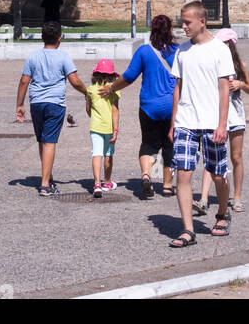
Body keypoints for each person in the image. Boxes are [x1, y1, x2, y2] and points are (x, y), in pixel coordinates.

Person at [167, 0, 235, 250]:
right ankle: (188, 229)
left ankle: (222, 212)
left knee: (218, 175)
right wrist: (174, 122)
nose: (183, 26)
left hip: (211, 122)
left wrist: (222, 124)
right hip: (186, 121)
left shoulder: (219, 49)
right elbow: (178, 87)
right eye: (181, 22)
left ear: (202, 21)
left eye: (187, 22)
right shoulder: (182, 51)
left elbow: (223, 89)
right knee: (183, 174)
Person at [100, 14, 178, 199]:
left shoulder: (144, 51)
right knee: (169, 144)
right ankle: (167, 186)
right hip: (172, 107)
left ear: (152, 29)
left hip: (148, 106)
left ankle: (146, 175)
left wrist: (111, 88)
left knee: (149, 143)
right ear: (170, 29)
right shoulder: (178, 51)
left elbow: (128, 76)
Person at [15, 20, 88, 195]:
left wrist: (19, 104)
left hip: (37, 103)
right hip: (55, 103)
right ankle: (46, 185)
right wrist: (87, 92)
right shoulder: (63, 57)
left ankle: (46, 174)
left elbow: (24, 80)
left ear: (42, 37)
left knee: (42, 140)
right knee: (49, 141)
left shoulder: (33, 56)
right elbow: (75, 80)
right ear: (59, 38)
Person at [197, 29, 249, 213]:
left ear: (231, 45)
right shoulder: (213, 63)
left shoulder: (240, 65)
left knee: (236, 157)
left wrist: (241, 84)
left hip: (235, 115)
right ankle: (204, 198)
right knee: (211, 155)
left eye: (225, 43)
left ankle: (237, 196)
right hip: (217, 114)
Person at [85, 59, 120, 196]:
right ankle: (107, 182)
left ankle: (97, 184)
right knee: (108, 155)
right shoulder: (113, 91)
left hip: (95, 126)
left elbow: (88, 108)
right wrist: (116, 130)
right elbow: (115, 111)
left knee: (96, 153)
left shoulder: (90, 90)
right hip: (110, 127)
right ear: (112, 76)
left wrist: (94, 118)